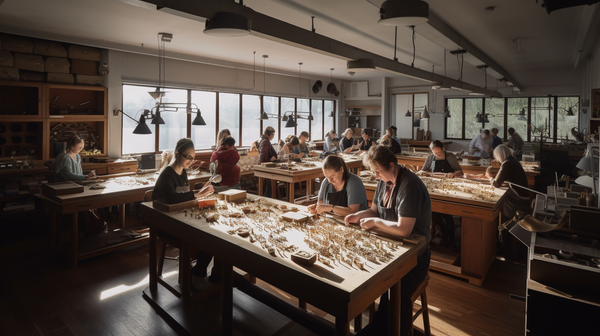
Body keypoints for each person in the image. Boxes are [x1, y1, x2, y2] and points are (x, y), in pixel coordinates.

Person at [345, 145, 431, 336]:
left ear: (391, 165)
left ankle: (394, 330)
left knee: (395, 293)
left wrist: (375, 222)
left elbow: (404, 229)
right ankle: (380, 327)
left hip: (415, 256)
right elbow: (374, 211)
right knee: (365, 276)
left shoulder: (410, 185)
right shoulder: (384, 181)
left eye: (378, 171)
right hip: (391, 245)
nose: (376, 176)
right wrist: (357, 216)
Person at [152, 138, 217, 283]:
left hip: (179, 219)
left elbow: (183, 199)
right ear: (177, 154)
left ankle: (202, 273)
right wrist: (197, 194)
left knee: (215, 235)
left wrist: (200, 195)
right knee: (209, 239)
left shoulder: (183, 173)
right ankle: (196, 276)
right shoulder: (167, 174)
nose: (191, 161)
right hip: (166, 224)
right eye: (188, 157)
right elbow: (172, 198)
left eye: (193, 159)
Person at [417, 140, 463, 248]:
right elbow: (422, 171)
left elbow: (460, 172)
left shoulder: (450, 157)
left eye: (439, 153)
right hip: (434, 188)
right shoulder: (430, 158)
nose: (437, 155)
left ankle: (451, 239)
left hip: (448, 187)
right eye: (435, 153)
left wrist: (453, 174)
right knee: (434, 212)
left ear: (443, 149)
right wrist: (422, 173)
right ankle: (444, 235)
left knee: (447, 214)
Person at [258, 126, 277, 196]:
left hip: (265, 165)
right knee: (268, 185)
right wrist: (269, 160)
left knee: (268, 184)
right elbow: (263, 155)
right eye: (273, 134)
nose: (273, 136)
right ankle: (267, 198)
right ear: (269, 134)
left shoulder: (264, 140)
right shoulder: (265, 142)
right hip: (266, 166)